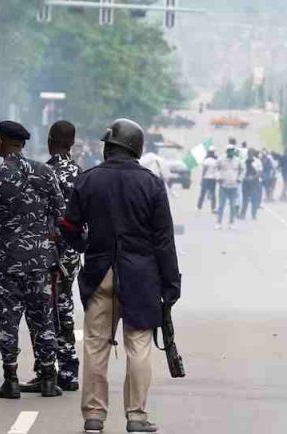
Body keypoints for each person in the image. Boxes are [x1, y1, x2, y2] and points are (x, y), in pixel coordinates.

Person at [60, 118, 181, 434]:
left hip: (99, 272)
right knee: (139, 346)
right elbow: (163, 240)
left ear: (111, 147)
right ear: (136, 148)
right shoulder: (151, 184)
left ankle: (94, 417)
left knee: (96, 346)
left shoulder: (88, 180)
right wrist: (171, 283)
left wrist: (87, 246)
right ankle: (137, 417)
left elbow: (69, 228)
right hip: (141, 277)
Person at [0, 120, 65, 399]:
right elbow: (61, 218)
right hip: (41, 261)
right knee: (43, 320)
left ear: (0, 141)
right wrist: (53, 254)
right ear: (22, 144)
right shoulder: (46, 173)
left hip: (9, 261)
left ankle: (10, 380)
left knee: (8, 322)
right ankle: (48, 379)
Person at [20, 121, 82, 394]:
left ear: (50, 140)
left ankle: (46, 368)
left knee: (42, 311)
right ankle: (69, 371)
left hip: (47, 251)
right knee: (65, 307)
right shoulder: (81, 173)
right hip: (71, 252)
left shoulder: (43, 172)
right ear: (72, 142)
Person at [215, 145, 243, 230]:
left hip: (233, 186)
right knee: (221, 206)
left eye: (232, 151)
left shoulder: (237, 160)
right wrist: (218, 177)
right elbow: (216, 169)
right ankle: (219, 223)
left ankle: (232, 223)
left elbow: (242, 170)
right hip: (223, 185)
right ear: (226, 151)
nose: (231, 152)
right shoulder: (221, 159)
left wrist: (239, 178)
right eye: (229, 151)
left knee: (232, 206)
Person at [239, 149, 263, 221]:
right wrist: (244, 178)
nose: (250, 154)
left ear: (253, 154)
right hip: (245, 181)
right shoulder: (243, 161)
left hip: (254, 182)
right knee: (245, 198)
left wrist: (253, 177)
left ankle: (254, 214)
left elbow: (260, 172)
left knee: (254, 198)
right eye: (249, 153)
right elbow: (240, 170)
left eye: (251, 153)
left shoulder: (257, 162)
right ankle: (243, 214)